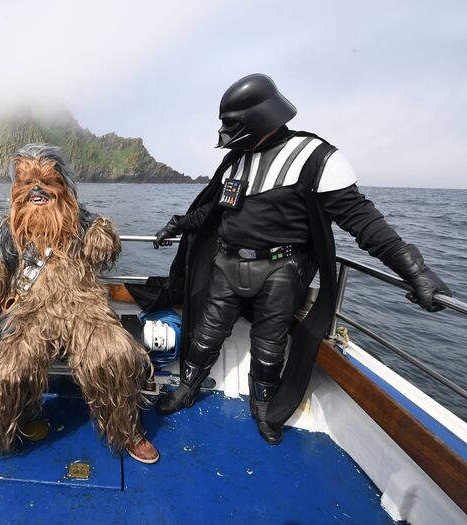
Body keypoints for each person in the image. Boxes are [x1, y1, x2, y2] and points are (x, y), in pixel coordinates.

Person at [151, 73, 452, 444]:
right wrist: (178, 224)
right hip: (225, 265)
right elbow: (214, 211)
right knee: (206, 334)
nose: (225, 132)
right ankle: (186, 388)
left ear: (257, 119)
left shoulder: (316, 158)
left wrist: (414, 269)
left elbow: (363, 221)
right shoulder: (235, 162)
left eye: (231, 124)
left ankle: (264, 406)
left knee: (269, 343)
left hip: (280, 269)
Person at [0, 144, 159, 464]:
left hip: (85, 306)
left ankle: (129, 430)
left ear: (64, 187)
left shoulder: (83, 222)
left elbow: (105, 251)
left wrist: (104, 234)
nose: (36, 190)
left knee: (116, 355)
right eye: (26, 184)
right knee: (7, 371)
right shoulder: (9, 231)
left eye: (46, 182)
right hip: (32, 312)